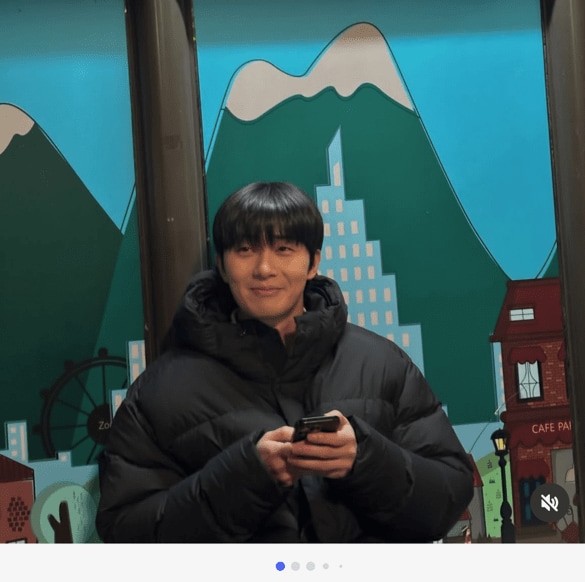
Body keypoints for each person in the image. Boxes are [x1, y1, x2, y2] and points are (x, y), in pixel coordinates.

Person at [96, 181, 473, 543]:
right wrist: (245, 476)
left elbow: (449, 496)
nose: (264, 268)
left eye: (283, 249)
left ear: (313, 263)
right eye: (245, 250)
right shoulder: (161, 390)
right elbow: (126, 532)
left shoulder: (382, 363)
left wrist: (366, 459)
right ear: (222, 266)